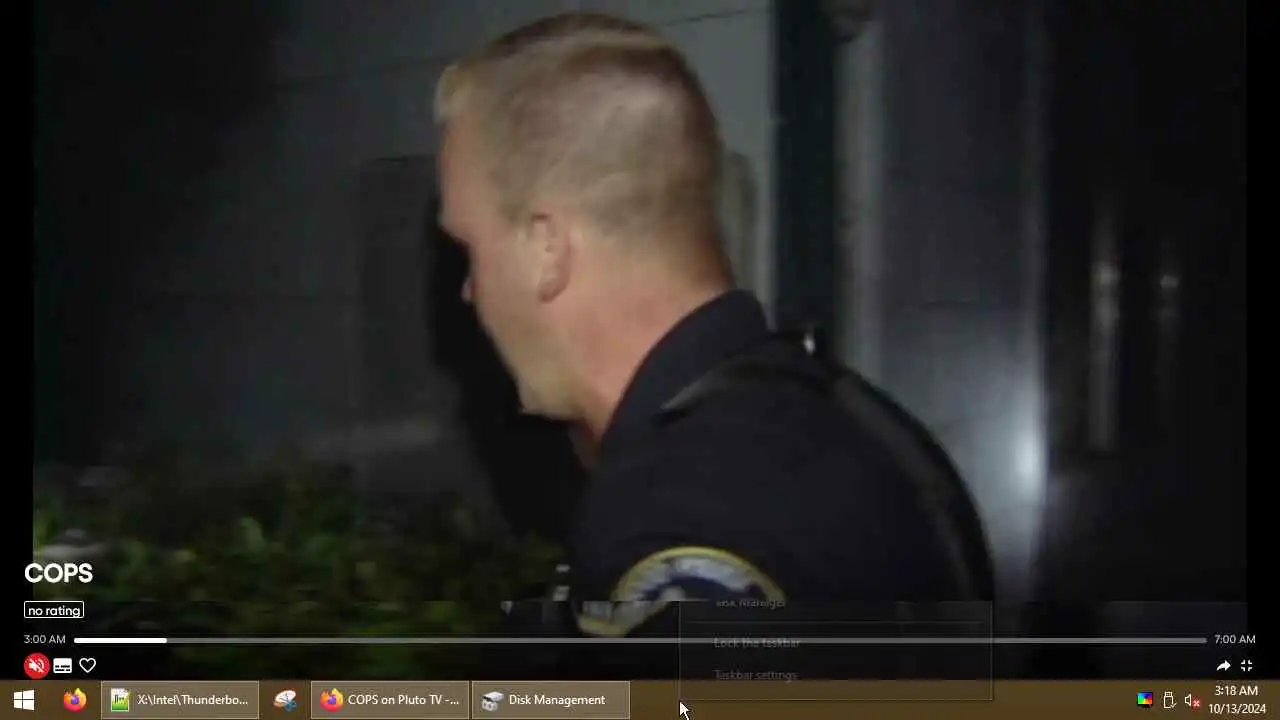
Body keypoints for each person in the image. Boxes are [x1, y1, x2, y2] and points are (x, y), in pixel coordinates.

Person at [434, 13, 992, 638]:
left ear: (546, 248)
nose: (469, 290)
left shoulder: (675, 516)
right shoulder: (859, 423)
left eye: (469, 248)